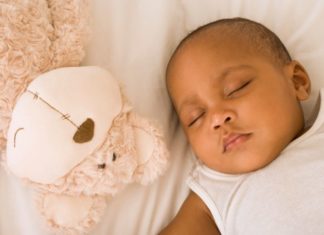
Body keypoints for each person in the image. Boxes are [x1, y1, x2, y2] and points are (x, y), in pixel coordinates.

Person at [159, 17, 324, 235]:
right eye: (196, 117)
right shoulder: (215, 192)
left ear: (297, 82)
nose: (217, 118)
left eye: (236, 88)